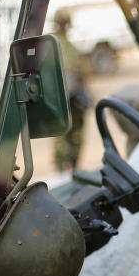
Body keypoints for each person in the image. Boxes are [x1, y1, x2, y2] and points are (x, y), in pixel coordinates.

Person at [52, 9, 89, 171]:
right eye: (61, 22)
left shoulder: (70, 46)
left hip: (75, 101)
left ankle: (74, 166)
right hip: (59, 100)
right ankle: (61, 169)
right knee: (61, 138)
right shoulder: (50, 45)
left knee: (76, 136)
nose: (63, 26)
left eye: (65, 23)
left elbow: (80, 72)